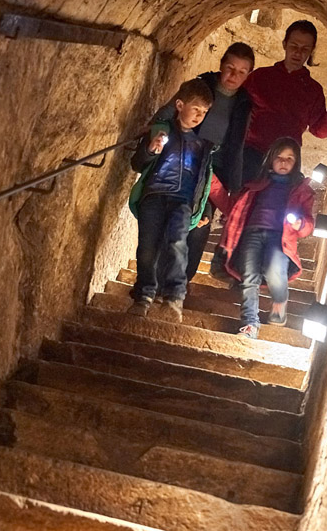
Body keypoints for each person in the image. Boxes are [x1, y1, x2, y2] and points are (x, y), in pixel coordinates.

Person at [151, 42, 256, 281]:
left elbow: (237, 147)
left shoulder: (244, 104)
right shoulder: (201, 85)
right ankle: (156, 280)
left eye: (241, 72)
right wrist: (156, 132)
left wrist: (235, 191)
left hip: (213, 173)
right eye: (230, 67)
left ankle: (181, 283)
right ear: (221, 65)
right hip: (183, 162)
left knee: (200, 226)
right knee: (172, 219)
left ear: (248, 75)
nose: (233, 76)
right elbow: (167, 112)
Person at [126, 78, 215, 323]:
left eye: (204, 112)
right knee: (147, 247)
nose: (199, 116)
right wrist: (150, 149)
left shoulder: (202, 145)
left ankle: (174, 295)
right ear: (179, 105)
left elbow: (204, 181)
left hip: (183, 201)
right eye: (195, 109)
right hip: (154, 195)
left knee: (177, 243)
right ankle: (143, 296)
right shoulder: (161, 130)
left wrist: (204, 206)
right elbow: (137, 164)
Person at [210, 137, 314, 339]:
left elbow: (308, 224)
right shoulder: (255, 186)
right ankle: (250, 324)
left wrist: (299, 224)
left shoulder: (302, 191)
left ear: (296, 163)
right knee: (250, 278)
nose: (283, 162)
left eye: (289, 158)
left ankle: (279, 301)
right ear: (270, 160)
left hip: (280, 239)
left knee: (275, 271)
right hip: (252, 234)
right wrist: (210, 178)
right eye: (279, 157)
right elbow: (230, 205)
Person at [241, 20, 327, 182]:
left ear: (311, 51)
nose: (298, 53)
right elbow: (237, 108)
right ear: (284, 44)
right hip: (252, 154)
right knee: (242, 204)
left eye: (305, 49)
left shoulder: (313, 90)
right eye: (294, 46)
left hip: (287, 162)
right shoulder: (260, 77)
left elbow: (319, 130)